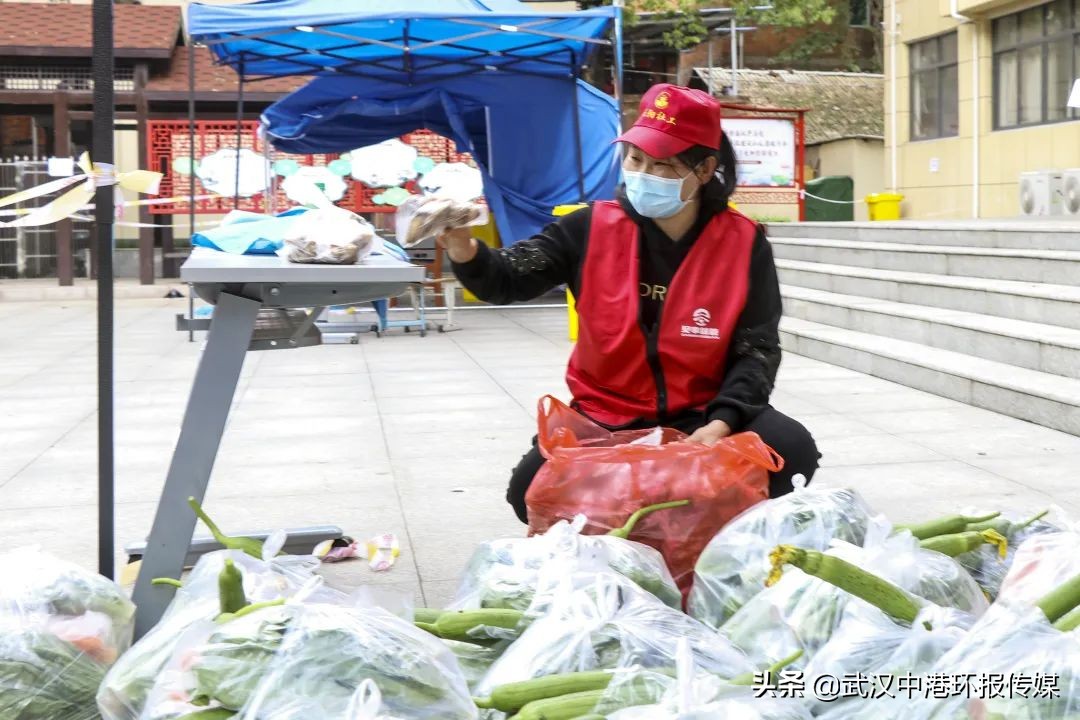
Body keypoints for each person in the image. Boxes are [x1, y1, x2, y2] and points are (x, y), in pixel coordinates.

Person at [438, 83, 821, 523]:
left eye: (662, 166)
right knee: (529, 492)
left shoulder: (743, 243)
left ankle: (703, 534)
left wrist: (721, 423)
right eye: (635, 159)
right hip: (606, 416)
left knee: (791, 451)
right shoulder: (588, 228)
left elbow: (757, 348)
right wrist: (465, 249)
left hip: (701, 413)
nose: (641, 174)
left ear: (704, 169)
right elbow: (508, 279)